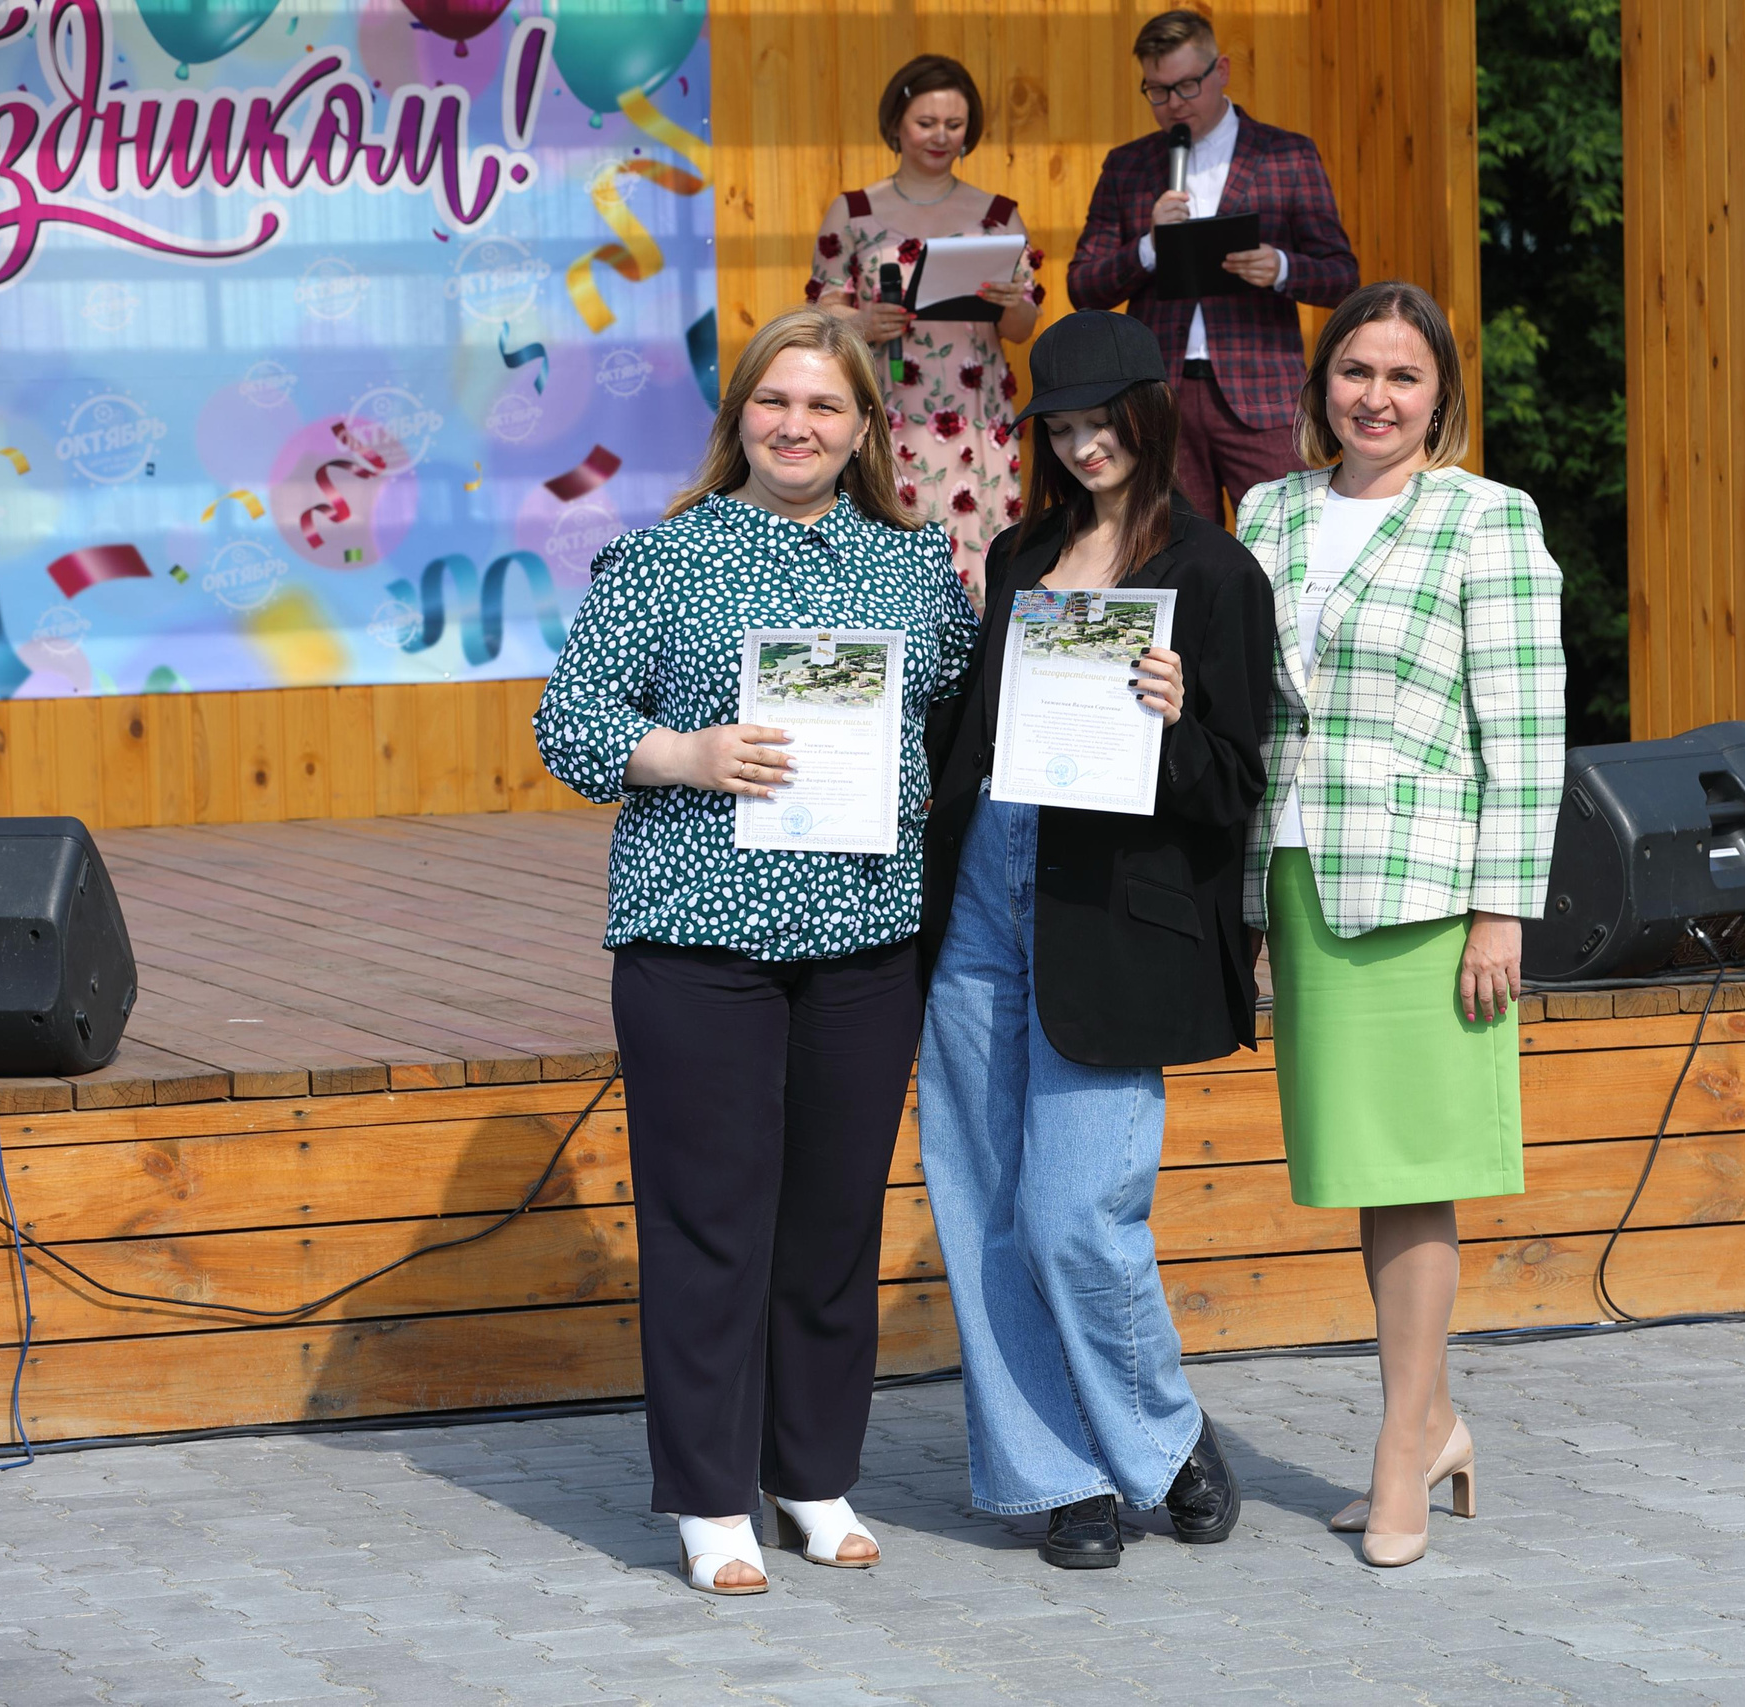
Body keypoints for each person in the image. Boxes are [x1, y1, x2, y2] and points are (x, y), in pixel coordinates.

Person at [533, 309, 979, 1596]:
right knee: (711, 1224)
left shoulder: (909, 566)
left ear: (863, 431)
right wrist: (687, 754)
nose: (799, 426)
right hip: (697, 938)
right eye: (777, 403)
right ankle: (711, 1500)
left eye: (826, 408)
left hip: (860, 939)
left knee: (833, 1224)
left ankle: (811, 1475)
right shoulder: (664, 556)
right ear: (740, 417)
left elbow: (959, 715)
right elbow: (571, 726)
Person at [917, 311, 1274, 1570]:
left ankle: (1166, 1440)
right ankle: (1054, 1476)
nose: (1081, 446)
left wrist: (1174, 723)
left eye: (1099, 422)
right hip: (980, 902)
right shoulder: (1019, 554)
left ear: (1151, 416)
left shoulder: (1216, 574)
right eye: (1058, 428)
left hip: (1110, 923)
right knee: (982, 1208)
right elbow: (971, 735)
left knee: (1076, 1212)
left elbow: (1234, 783)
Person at [1236, 281, 1564, 1569]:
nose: (1375, 397)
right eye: (1354, 371)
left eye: (1403, 378)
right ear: (1321, 383)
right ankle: (1430, 1423)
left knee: (1412, 1166)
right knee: (1355, 1168)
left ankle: (1402, 1444)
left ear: (1441, 397)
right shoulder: (1267, 510)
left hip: (1428, 891)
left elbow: (1525, 732)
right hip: (1302, 876)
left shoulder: (1487, 519)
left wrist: (1502, 912)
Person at [1067, 8, 1359, 523]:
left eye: (1185, 86)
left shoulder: (1286, 155)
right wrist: (1148, 246)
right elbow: (1083, 286)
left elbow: (1342, 276)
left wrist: (1282, 267)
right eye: (1156, 91)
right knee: (1175, 554)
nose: (1173, 104)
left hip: (1262, 394)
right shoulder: (1128, 165)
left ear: (1221, 70)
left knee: (1288, 541)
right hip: (1160, 395)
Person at [809, 54, 1043, 597]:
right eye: (926, 123)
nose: (941, 137)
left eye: (954, 125)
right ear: (896, 123)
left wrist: (1012, 299)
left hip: (975, 417)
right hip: (882, 410)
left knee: (982, 558)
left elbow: (1021, 327)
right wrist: (863, 321)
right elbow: (822, 311)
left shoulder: (997, 214)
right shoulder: (855, 210)